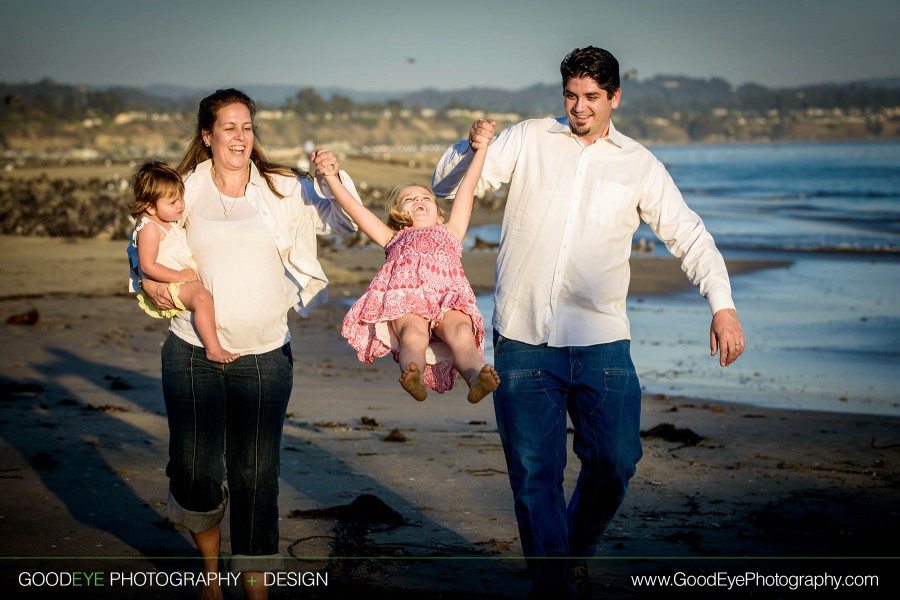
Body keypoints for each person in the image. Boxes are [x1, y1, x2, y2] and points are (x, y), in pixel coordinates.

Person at [432, 46, 745, 598]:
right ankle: (552, 583)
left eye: (592, 98)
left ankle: (569, 551)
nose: (580, 107)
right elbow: (449, 185)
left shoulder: (639, 163)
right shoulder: (528, 138)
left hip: (602, 342)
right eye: (572, 96)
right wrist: (471, 145)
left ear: (615, 98)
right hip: (524, 340)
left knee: (616, 460)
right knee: (534, 476)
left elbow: (688, 233)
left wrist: (721, 304)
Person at [135, 88, 362, 600]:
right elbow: (145, 239)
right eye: (228, 127)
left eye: (246, 127)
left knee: (256, 474)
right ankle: (211, 575)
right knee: (194, 468)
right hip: (191, 348)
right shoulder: (185, 189)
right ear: (207, 136)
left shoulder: (282, 188)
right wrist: (155, 284)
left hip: (263, 354)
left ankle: (256, 587)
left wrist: (332, 176)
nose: (239, 136)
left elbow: (341, 219)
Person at [313, 144, 500, 403]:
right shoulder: (392, 237)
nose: (419, 201)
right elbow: (357, 210)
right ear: (399, 215)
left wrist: (480, 149)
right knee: (412, 335)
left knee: (461, 332)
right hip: (406, 299)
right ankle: (414, 374)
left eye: (426, 198)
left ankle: (476, 376)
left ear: (439, 214)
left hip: (449, 297)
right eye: (410, 200)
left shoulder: (452, 231)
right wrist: (331, 178)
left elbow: (467, 187)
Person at [129, 161, 238, 364]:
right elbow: (147, 265)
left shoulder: (162, 219)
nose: (180, 205)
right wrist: (178, 276)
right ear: (150, 207)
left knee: (205, 299)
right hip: (171, 283)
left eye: (180, 198)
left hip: (177, 280)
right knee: (202, 299)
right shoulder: (150, 228)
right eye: (172, 202)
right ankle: (213, 348)